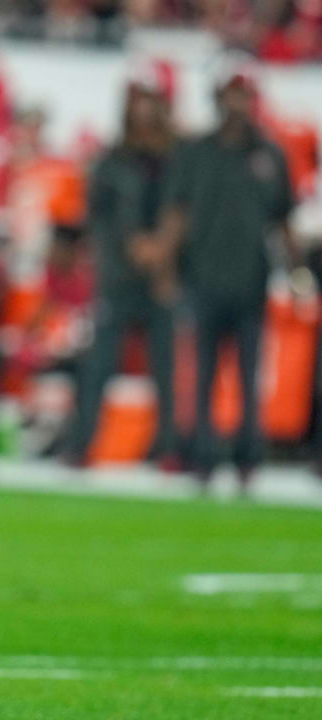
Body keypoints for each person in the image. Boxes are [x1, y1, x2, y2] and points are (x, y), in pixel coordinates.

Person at [155, 59, 306, 491]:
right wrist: (166, 268)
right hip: (202, 277)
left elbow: (282, 219)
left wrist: (296, 272)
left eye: (244, 94)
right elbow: (177, 213)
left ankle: (247, 458)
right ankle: (201, 456)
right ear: (218, 97)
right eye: (230, 93)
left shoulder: (270, 153)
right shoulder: (196, 152)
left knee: (248, 377)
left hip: (250, 282)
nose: (237, 103)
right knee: (201, 375)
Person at [66, 65, 180, 468]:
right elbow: (97, 217)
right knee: (99, 363)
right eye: (138, 101)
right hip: (118, 276)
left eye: (151, 101)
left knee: (167, 367)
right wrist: (128, 245)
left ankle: (170, 447)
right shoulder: (111, 160)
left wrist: (163, 250)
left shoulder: (179, 158)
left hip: (165, 278)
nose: (144, 111)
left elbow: (189, 211)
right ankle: (81, 444)